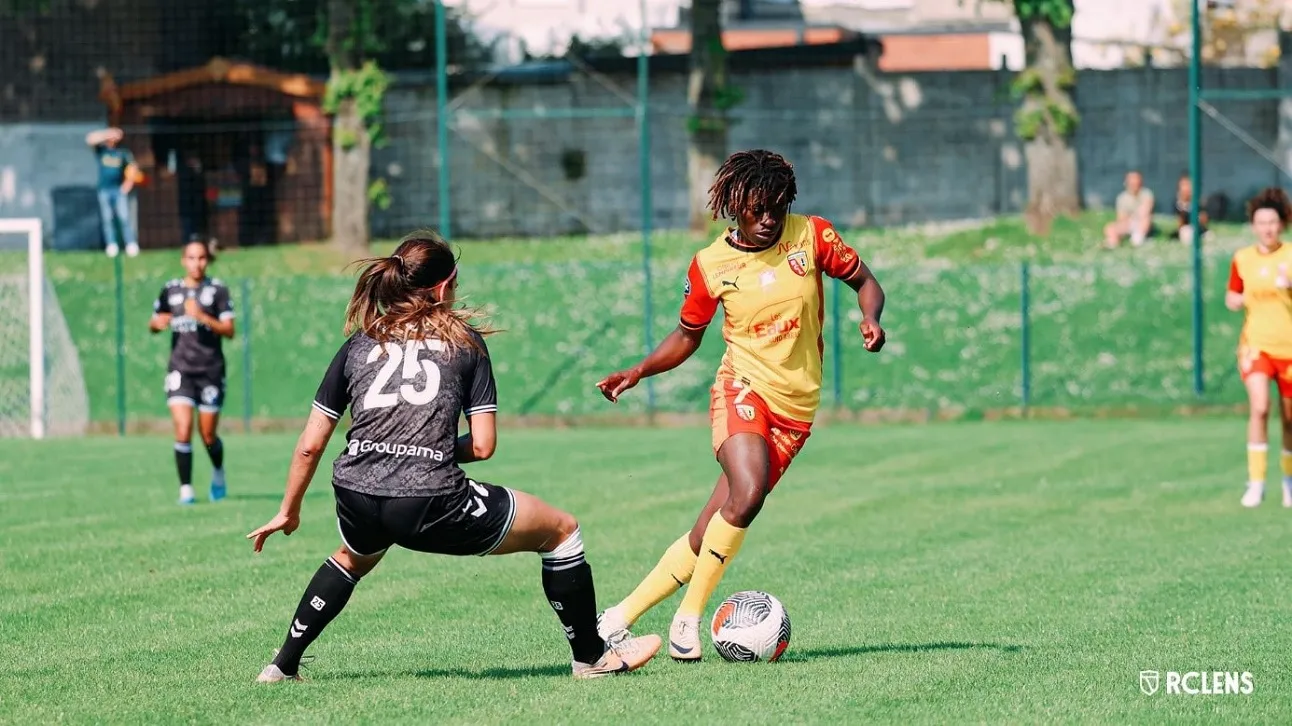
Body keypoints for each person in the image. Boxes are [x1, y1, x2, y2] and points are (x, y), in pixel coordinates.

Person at [245, 232, 661, 683]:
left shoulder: (359, 344)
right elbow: (482, 446)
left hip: (357, 493)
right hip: (428, 499)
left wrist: (288, 510)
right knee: (562, 530)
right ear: (443, 289)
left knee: (354, 556)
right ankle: (592, 659)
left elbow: (310, 443)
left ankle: (281, 664)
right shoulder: (466, 342)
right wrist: (430, 450)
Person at [593, 150, 886, 661]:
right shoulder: (711, 264)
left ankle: (616, 618)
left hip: (796, 409)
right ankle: (688, 621)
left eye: (776, 206)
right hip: (743, 388)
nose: (768, 218)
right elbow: (687, 336)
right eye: (756, 208)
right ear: (734, 206)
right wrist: (639, 369)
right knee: (748, 493)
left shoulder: (812, 235)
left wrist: (871, 318)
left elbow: (866, 282)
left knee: (713, 525)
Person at [148, 239, 235, 505]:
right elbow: (154, 322)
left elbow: (229, 331)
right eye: (191, 258)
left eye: (201, 258)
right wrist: (156, 323)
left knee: (207, 434)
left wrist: (202, 317)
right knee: (183, 428)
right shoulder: (170, 290)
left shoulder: (217, 291)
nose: (197, 263)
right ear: (183, 261)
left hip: (210, 371)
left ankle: (218, 472)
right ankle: (186, 488)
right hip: (180, 370)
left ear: (207, 261)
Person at [1225, 188, 1292, 508]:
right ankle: (1256, 483)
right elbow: (1232, 294)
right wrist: (1235, 300)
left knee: (1290, 419)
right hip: (1256, 346)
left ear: (1282, 224)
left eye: (1273, 222)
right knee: (1261, 407)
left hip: (1289, 348)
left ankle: (1289, 483)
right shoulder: (1242, 259)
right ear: (1253, 225)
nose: (1267, 228)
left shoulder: (1291, 255)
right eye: (1261, 222)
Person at [86, 127, 140, 258]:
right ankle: (112, 245)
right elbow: (89, 139)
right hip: (104, 190)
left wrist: (127, 185)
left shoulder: (123, 152)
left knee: (124, 217)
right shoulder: (102, 150)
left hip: (118, 190)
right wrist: (107, 133)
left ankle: (131, 244)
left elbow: (133, 168)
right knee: (107, 218)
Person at [1104, 170, 1155, 249]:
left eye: (1136, 179)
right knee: (1109, 228)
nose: (1134, 182)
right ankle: (1113, 243)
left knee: (1146, 218)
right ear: (1127, 182)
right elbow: (1121, 218)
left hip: (1143, 223)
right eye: (1131, 180)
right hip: (1129, 223)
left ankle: (1137, 240)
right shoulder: (1122, 198)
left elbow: (1146, 210)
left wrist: (1134, 216)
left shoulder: (1146, 194)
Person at [1172, 173, 1208, 246]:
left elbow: (1204, 219)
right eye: (1184, 185)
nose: (1187, 188)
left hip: (1198, 229)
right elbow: (1179, 223)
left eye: (1189, 185)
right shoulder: (1177, 203)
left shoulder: (1198, 202)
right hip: (1185, 229)